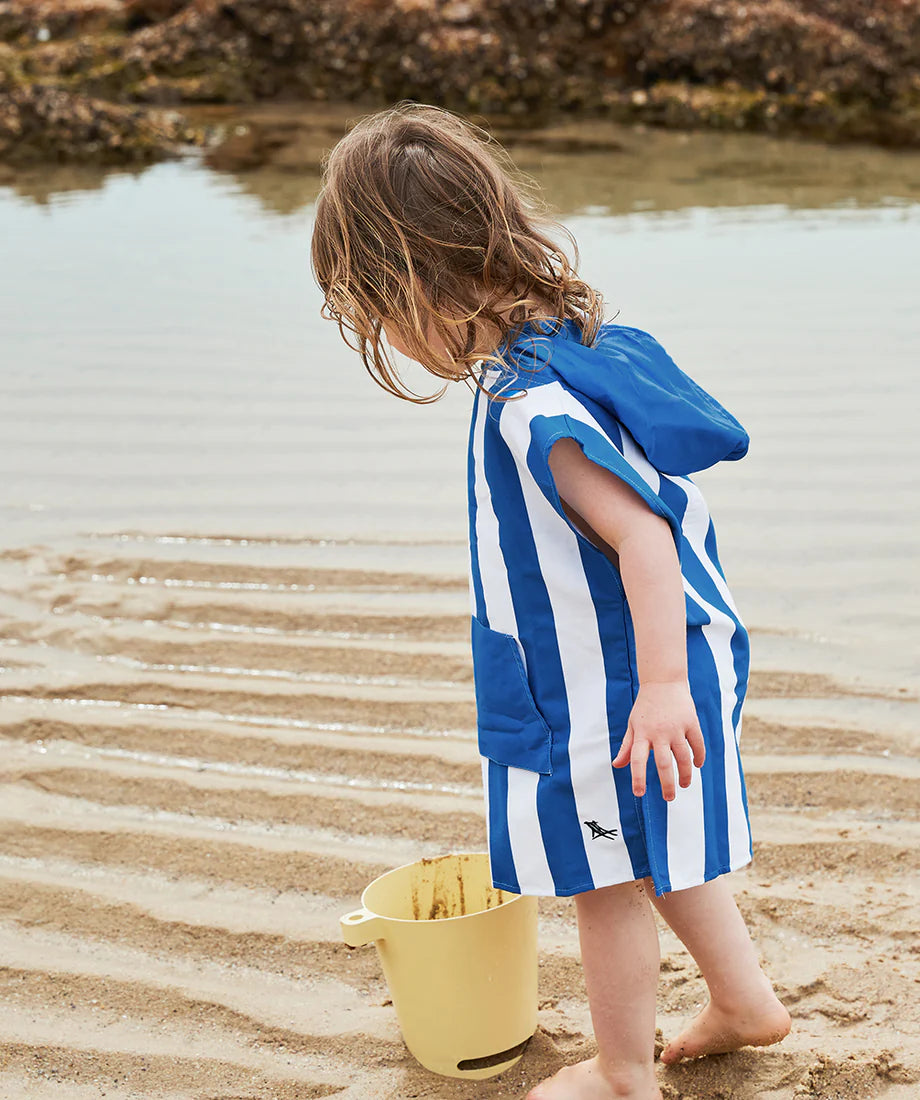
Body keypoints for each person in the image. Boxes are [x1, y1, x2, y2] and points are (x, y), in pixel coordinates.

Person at [311, 100, 790, 1100]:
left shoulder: (532, 404)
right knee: (652, 843)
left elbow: (643, 538)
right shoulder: (562, 345)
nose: (391, 342)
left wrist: (659, 687)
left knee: (600, 874)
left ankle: (621, 1074)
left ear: (412, 285)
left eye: (380, 317)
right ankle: (742, 1000)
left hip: (615, 680)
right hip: (638, 658)